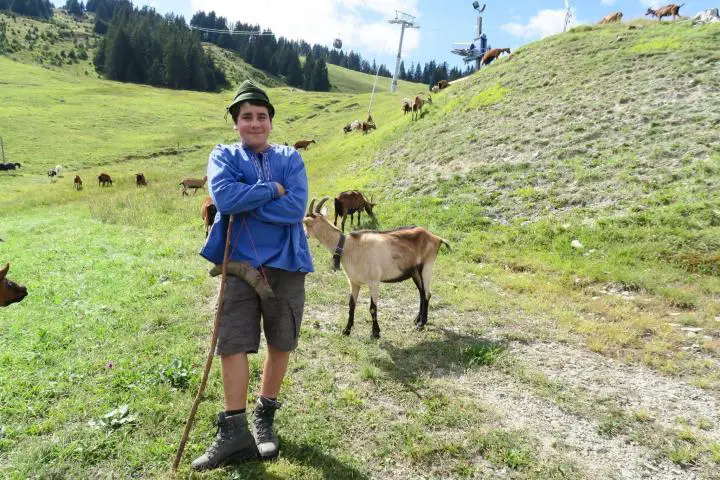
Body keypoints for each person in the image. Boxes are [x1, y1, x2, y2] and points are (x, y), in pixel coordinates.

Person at [192, 79, 314, 470]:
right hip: (239, 265)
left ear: (271, 122)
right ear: (236, 123)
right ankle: (234, 432)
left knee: (281, 341)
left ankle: (264, 416)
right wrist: (271, 189)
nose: (255, 123)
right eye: (247, 117)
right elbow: (224, 198)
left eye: (262, 116)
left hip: (287, 263)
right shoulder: (224, 155)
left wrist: (250, 197)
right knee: (232, 343)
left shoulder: (291, 159)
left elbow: (295, 209)